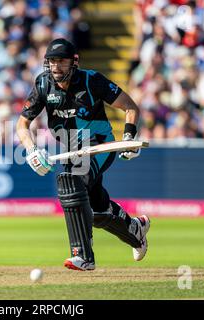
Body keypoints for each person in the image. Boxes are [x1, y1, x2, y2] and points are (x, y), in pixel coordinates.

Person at [16, 38, 151, 271]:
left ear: (73, 62)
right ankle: (135, 229)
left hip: (99, 144)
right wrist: (31, 150)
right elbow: (22, 124)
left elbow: (131, 107)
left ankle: (82, 256)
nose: (56, 67)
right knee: (97, 211)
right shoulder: (43, 85)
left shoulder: (92, 80)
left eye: (61, 61)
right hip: (71, 149)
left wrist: (128, 138)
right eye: (52, 61)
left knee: (72, 181)